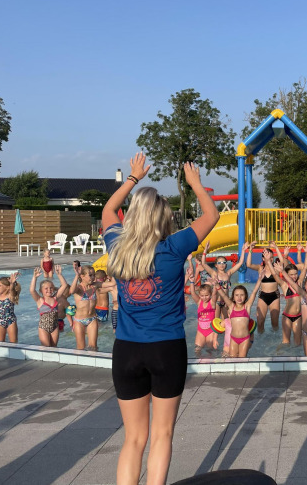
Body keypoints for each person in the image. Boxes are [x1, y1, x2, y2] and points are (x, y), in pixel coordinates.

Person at [102, 152, 219, 485]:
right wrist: (194, 183)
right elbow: (211, 215)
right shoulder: (173, 247)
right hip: (167, 349)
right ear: (162, 217)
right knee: (162, 434)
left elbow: (108, 210)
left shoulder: (117, 246)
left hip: (126, 350)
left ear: (133, 216)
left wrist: (133, 178)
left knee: (133, 439)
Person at [214, 269, 263, 358]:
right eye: (236, 295)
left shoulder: (247, 307)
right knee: (232, 359)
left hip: (245, 339)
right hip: (233, 338)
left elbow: (254, 292)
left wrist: (259, 280)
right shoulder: (231, 306)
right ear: (233, 297)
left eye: (242, 295)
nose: (239, 297)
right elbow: (224, 296)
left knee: (242, 359)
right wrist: (217, 286)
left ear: (245, 296)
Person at [29, 265, 68, 347]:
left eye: (51, 288)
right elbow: (32, 290)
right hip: (43, 328)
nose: (49, 290)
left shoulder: (55, 298)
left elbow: (64, 285)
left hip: (55, 327)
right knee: (46, 348)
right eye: (46, 288)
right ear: (41, 291)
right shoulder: (40, 300)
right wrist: (34, 277)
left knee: (54, 348)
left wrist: (59, 274)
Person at [246, 242, 281, 333]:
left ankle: (274, 339)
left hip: (274, 296)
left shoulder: (276, 268)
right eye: (268, 256)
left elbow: (283, 262)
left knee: (275, 324)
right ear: (263, 258)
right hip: (263, 296)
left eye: (272, 257)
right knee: (260, 322)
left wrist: (276, 247)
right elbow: (248, 265)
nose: (270, 259)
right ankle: (261, 339)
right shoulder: (260, 268)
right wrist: (250, 250)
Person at [272, 258, 307, 347]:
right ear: (286, 275)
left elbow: (305, 268)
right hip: (287, 316)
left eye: (295, 274)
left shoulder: (300, 283)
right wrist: (268, 261)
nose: (294, 276)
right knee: (286, 342)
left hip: (298, 316)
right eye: (291, 274)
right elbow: (275, 275)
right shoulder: (284, 285)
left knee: (297, 344)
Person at [69, 263, 101, 351]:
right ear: (82, 276)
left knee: (93, 347)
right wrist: (76, 275)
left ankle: (93, 359)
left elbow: (112, 284)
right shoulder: (79, 288)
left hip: (92, 319)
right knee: (81, 347)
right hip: (79, 321)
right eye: (90, 275)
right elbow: (71, 291)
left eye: (94, 275)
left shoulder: (94, 286)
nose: (93, 277)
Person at [187, 278, 219, 355]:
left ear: (210, 294)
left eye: (207, 295)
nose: (204, 297)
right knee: (197, 349)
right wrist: (191, 281)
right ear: (199, 295)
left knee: (210, 350)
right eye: (202, 296)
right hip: (200, 331)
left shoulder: (212, 303)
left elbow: (214, 294)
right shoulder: (199, 302)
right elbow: (193, 293)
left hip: (210, 331)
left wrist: (215, 285)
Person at [0, 272, 21, 343]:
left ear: (7, 287)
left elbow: (12, 290)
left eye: (0, 285)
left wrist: (12, 284)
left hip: (11, 322)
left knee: (13, 344)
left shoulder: (10, 296)